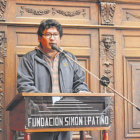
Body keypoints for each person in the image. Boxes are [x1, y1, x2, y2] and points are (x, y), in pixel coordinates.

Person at [17, 19, 89, 140]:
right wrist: (45, 103)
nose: (52, 38)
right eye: (48, 34)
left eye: (55, 35)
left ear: (60, 38)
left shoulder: (69, 58)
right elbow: (24, 85)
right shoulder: (29, 59)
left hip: (66, 114)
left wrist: (82, 91)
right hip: (39, 115)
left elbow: (79, 82)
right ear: (39, 38)